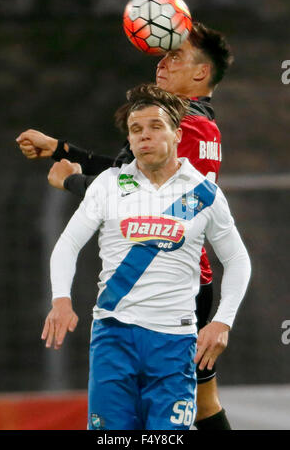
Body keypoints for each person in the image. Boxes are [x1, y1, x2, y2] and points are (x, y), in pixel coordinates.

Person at [16, 22, 234, 430]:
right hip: (186, 279)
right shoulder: (197, 123)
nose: (162, 63)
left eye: (175, 56)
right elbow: (127, 174)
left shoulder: (188, 123)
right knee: (202, 404)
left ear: (201, 74)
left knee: (155, 415)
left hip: (168, 286)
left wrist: (71, 179)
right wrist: (62, 151)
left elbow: (156, 200)